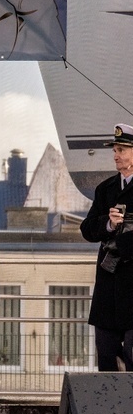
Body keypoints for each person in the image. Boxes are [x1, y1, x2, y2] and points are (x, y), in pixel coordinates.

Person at [80, 123, 133, 372]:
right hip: (108, 291)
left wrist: (123, 241)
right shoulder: (105, 189)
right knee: (107, 361)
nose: (116, 155)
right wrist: (109, 225)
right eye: (115, 149)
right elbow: (87, 229)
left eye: (122, 149)